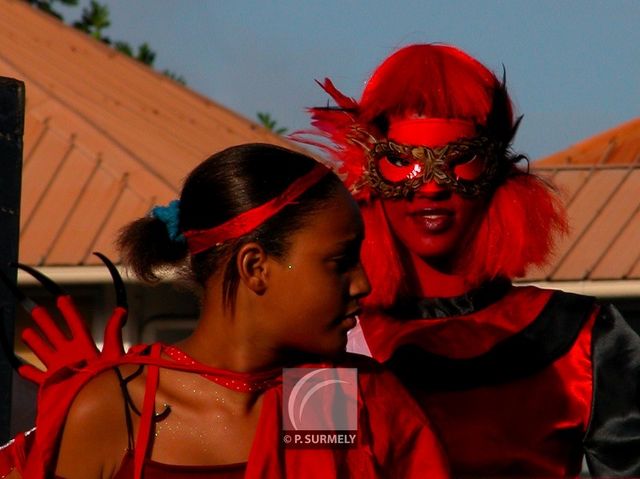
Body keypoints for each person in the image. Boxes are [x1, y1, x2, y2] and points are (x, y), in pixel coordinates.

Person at [1, 143, 449, 479]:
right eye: (340, 261)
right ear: (255, 266)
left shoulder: (329, 396)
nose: (363, 284)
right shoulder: (118, 406)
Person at [299, 44, 640, 477]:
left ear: (498, 171)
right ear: (367, 173)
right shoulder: (329, 341)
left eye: (459, 160)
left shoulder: (585, 336)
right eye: (402, 162)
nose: (430, 188)